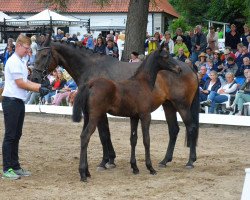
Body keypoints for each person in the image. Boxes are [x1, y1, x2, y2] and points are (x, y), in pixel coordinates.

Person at [1, 35, 49, 180]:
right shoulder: (14, 61)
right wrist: (39, 88)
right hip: (11, 101)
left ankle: (15, 166)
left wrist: (40, 86)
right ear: (19, 46)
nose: (28, 52)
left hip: (18, 101)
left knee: (17, 135)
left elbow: (26, 81)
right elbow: (20, 83)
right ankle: (7, 169)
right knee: (10, 136)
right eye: (27, 48)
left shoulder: (22, 61)